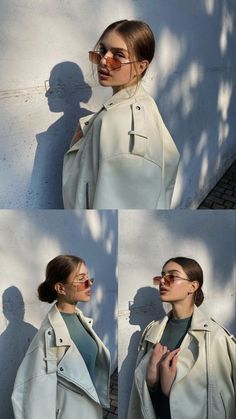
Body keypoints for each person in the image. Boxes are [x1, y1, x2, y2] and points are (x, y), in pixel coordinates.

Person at [63, 20, 180, 209]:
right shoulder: (143, 104)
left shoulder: (127, 129)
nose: (103, 61)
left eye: (118, 55)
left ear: (141, 67)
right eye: (102, 51)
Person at [128, 257, 235, 419]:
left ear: (193, 286)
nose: (163, 281)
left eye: (172, 276)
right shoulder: (152, 331)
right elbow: (143, 401)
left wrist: (171, 389)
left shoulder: (216, 337)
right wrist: (151, 382)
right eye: (161, 276)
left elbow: (220, 400)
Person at [11, 255, 110, 419]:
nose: (89, 283)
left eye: (88, 277)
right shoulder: (48, 336)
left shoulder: (80, 319)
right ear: (61, 288)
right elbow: (35, 399)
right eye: (81, 279)